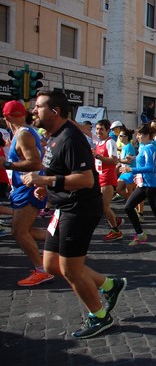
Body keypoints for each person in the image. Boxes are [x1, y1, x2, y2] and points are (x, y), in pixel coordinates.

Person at [26, 90, 126, 339]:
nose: (33, 111)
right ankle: (109, 285)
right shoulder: (53, 136)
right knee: (51, 264)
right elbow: (59, 171)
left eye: (38, 107)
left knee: (70, 268)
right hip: (62, 208)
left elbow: (84, 179)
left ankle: (100, 316)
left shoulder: (71, 139)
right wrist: (46, 187)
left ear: (54, 111)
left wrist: (45, 179)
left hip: (79, 208)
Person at [0, 100, 53, 286]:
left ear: (6, 117)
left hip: (28, 189)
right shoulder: (24, 133)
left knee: (19, 231)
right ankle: (63, 240)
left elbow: (35, 162)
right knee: (26, 230)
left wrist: (7, 164)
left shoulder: (23, 134)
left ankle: (42, 270)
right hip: (25, 188)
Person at [94, 119, 123, 241]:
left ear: (107, 130)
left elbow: (114, 160)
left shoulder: (110, 142)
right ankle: (115, 219)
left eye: (101, 129)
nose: (98, 131)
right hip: (99, 176)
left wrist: (98, 156)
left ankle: (116, 231)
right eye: (97, 129)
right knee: (101, 206)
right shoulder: (99, 143)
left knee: (104, 207)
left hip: (107, 177)